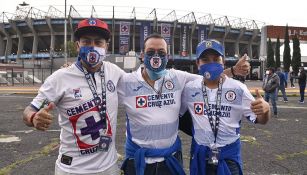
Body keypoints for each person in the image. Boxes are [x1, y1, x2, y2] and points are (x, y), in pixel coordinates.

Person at [118, 33, 251, 175]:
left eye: (162, 53)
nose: (156, 56)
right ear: (142, 55)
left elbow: (208, 77)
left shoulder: (178, 77)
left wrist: (233, 71)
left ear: (168, 57)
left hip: (170, 160)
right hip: (138, 162)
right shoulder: (126, 81)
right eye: (151, 52)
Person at [22, 18, 125, 175]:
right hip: (72, 169)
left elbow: (139, 85)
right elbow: (29, 110)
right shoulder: (60, 78)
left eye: (98, 42)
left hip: (109, 167)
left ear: (106, 47)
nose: (92, 47)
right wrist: (33, 118)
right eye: (86, 42)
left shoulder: (114, 72)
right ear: (78, 45)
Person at [180, 39, 270, 175]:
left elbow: (261, 120)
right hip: (200, 156)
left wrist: (266, 109)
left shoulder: (238, 89)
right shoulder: (189, 89)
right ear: (198, 64)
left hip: (228, 158)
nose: (211, 64)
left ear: (223, 62)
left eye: (216, 59)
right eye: (205, 60)